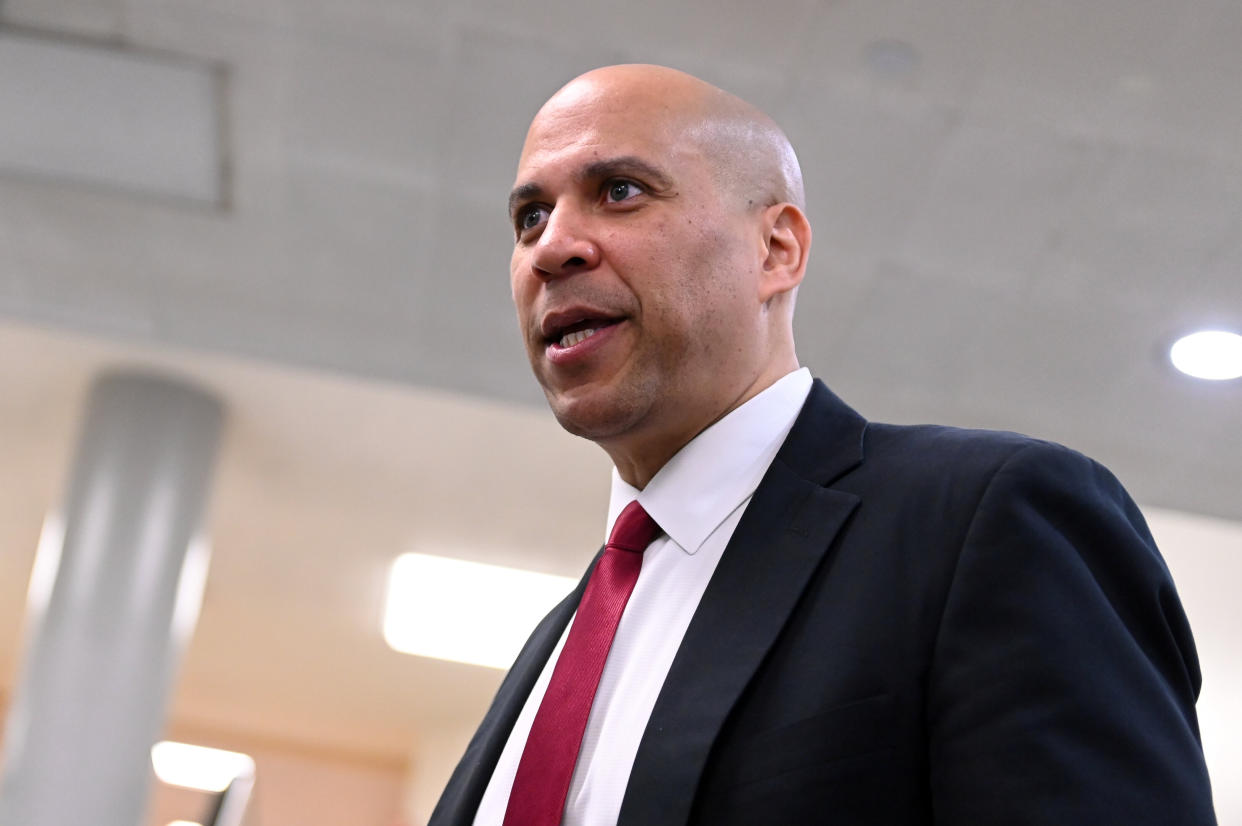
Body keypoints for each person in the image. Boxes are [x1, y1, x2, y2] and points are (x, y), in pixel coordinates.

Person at [430, 64, 1216, 826]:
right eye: (529, 216)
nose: (552, 247)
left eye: (621, 192)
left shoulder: (985, 522)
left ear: (776, 251)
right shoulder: (558, 645)